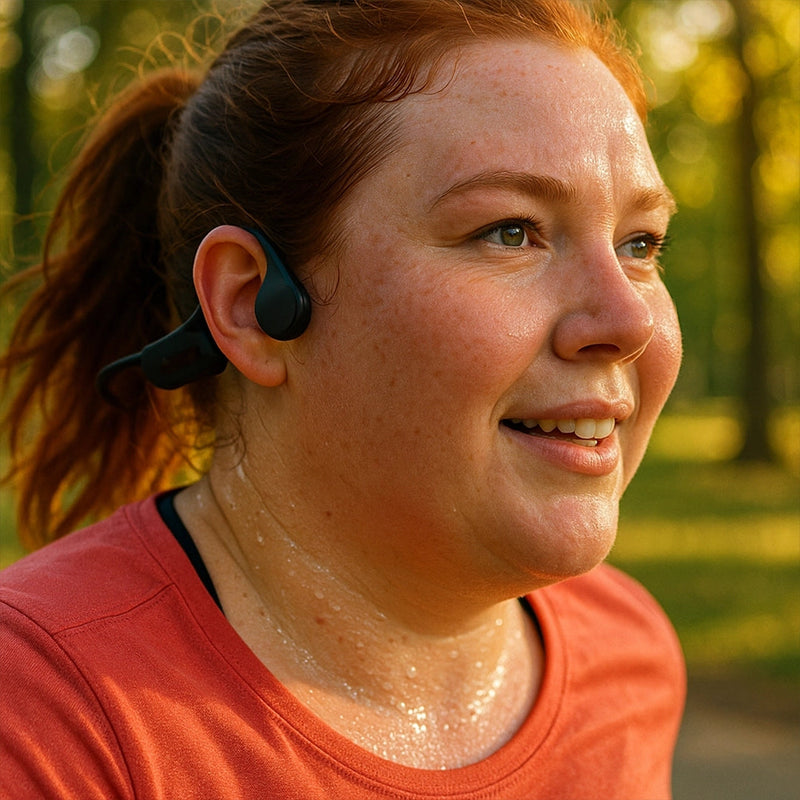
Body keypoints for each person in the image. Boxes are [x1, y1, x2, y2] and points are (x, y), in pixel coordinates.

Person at [0, 1, 685, 797]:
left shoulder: (628, 657)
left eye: (641, 244)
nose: (629, 320)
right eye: (510, 230)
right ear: (253, 307)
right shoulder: (44, 718)